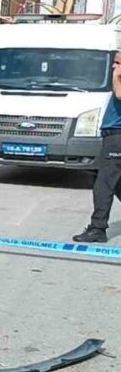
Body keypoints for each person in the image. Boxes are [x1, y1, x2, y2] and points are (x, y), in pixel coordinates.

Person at [74, 51, 121, 243]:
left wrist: (117, 75)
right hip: (113, 135)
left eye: (117, 62)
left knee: (104, 183)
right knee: (116, 182)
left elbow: (119, 94)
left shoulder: (119, 80)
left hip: (118, 136)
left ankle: (98, 228)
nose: (113, 66)